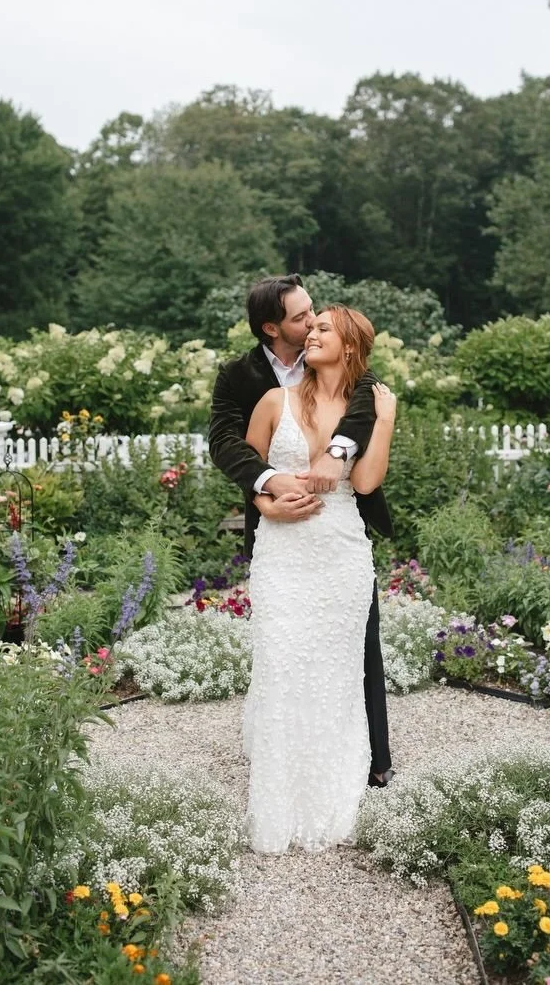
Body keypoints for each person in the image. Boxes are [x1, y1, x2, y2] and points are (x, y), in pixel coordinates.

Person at [208, 275, 395, 792]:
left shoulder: (356, 377)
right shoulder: (244, 380)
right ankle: (282, 754)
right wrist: (270, 491)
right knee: (285, 648)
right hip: (282, 528)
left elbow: (365, 416)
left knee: (358, 645)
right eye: (301, 318)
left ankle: (373, 756)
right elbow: (226, 444)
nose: (311, 323)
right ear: (273, 328)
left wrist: (338, 455)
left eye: (315, 315)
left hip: (339, 532)